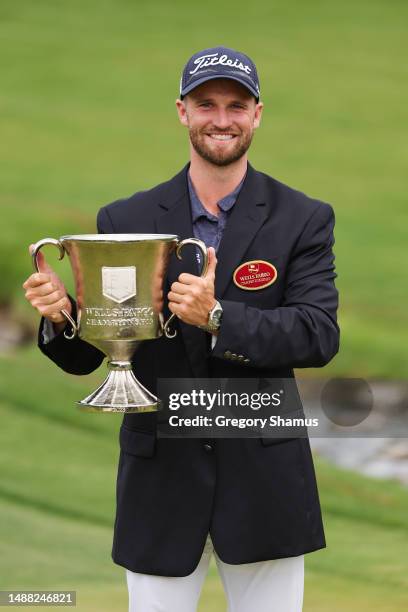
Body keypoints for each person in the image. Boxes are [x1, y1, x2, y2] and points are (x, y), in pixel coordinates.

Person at [23, 46, 340, 612]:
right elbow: (94, 355)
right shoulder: (124, 220)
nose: (222, 118)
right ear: (182, 111)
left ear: (258, 114)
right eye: (206, 104)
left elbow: (317, 334)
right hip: (160, 481)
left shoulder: (304, 218)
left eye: (236, 105)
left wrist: (217, 318)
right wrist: (61, 317)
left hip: (264, 479)